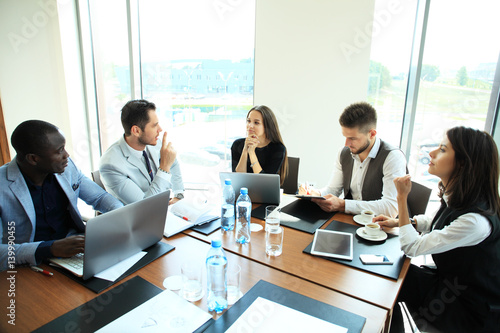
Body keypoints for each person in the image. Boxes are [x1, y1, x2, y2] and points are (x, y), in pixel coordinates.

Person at [375, 127, 500, 332]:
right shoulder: (462, 199)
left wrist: (402, 198)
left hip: (469, 311)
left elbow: (412, 247)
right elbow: (436, 221)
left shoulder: (476, 222)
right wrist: (405, 223)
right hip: (452, 285)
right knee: (392, 275)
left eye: (442, 149)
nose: (431, 154)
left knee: (394, 278)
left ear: (462, 163)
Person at [0, 120, 123, 271]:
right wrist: (48, 248)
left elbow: (100, 198)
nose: (67, 155)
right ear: (33, 158)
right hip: (30, 265)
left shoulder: (66, 166)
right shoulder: (3, 185)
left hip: (77, 251)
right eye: (59, 151)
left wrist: (121, 216)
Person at [300, 102, 407, 217]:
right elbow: (333, 189)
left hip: (380, 228)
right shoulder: (344, 153)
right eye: (345, 137)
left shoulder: (392, 157)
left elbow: (391, 208)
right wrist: (316, 194)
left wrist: (343, 205)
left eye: (352, 138)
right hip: (352, 221)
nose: (347, 144)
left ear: (372, 134)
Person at [99, 99, 184, 205]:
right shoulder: (111, 165)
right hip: (138, 217)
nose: (160, 129)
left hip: (162, 208)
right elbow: (146, 206)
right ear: (136, 131)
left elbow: (173, 163)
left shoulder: (153, 141)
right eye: (154, 125)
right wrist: (164, 168)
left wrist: (178, 195)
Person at [231, 105, 288, 185]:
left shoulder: (278, 148)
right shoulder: (237, 145)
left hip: (265, 194)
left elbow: (264, 183)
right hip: (243, 194)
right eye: (248, 121)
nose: (250, 126)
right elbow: (238, 179)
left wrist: (251, 152)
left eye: (256, 123)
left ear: (267, 126)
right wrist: (245, 150)